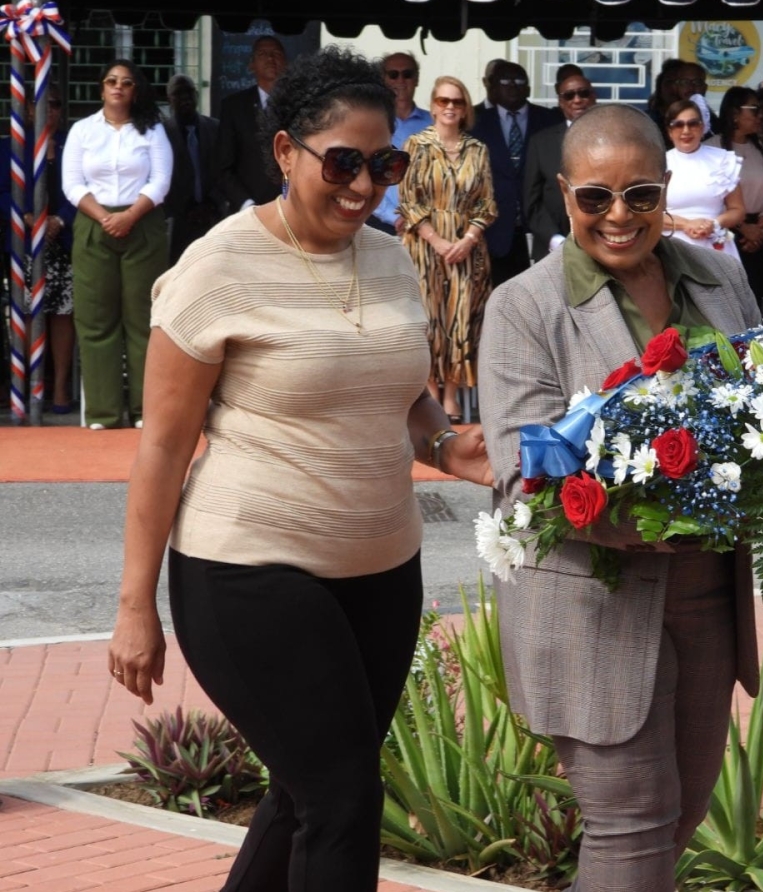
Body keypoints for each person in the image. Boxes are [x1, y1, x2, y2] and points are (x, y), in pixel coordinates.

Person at [107, 46, 492, 892]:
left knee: (309, 791)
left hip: (383, 571)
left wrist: (449, 446)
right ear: (286, 152)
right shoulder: (216, 268)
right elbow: (164, 448)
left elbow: (405, 400)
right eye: (344, 163)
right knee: (343, 799)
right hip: (248, 570)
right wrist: (136, 606)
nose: (365, 186)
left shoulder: (391, 258)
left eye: (384, 164)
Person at [477, 102, 761, 892]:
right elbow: (520, 473)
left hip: (706, 596)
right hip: (592, 607)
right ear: (565, 195)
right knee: (630, 828)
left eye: (640, 196)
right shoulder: (524, 305)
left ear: (666, 190)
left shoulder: (718, 276)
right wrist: (653, 521)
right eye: (595, 198)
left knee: (680, 817)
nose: (619, 217)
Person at [63, 59, 171, 430]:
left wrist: (128, 216)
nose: (118, 87)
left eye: (126, 82)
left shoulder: (153, 130)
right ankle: (103, 413)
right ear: (101, 88)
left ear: (135, 90)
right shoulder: (82, 131)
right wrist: (105, 216)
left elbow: (160, 181)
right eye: (111, 81)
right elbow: (72, 183)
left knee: (142, 319)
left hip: (141, 224)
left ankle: (144, 411)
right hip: (95, 224)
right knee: (95, 320)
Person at [400, 75, 497, 422]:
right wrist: (438, 242)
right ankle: (430, 391)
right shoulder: (416, 145)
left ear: (466, 107)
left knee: (459, 319)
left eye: (457, 102)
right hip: (425, 245)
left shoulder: (477, 149)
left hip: (466, 246)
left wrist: (467, 239)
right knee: (427, 319)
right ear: (433, 105)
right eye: (443, 101)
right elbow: (409, 200)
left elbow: (487, 204)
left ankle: (452, 394)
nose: (450, 108)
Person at [4, 84, 77, 413]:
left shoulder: (72, 145)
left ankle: (60, 388)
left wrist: (58, 220)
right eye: (43, 104)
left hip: (61, 242)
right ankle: (26, 388)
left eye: (56, 104)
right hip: (25, 244)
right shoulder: (12, 147)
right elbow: (3, 193)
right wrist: (25, 213)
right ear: (29, 110)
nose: (50, 110)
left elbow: (84, 188)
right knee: (27, 314)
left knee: (62, 314)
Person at [469, 60, 557, 287]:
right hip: (495, 231)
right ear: (492, 87)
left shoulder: (549, 120)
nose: (512, 86)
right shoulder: (476, 123)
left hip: (541, 229)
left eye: (519, 81)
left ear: (528, 87)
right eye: (505, 81)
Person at [709, 87, 763, 303]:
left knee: (752, 300)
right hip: (723, 235)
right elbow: (710, 199)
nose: (761, 115)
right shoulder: (712, 148)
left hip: (756, 238)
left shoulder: (760, 150)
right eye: (754, 109)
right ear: (734, 113)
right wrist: (742, 228)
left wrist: (761, 227)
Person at [524, 69, 596, 261]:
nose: (577, 99)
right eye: (569, 95)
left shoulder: (611, 139)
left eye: (583, 93)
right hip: (552, 249)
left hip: (600, 243)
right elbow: (531, 201)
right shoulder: (540, 142)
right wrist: (554, 238)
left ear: (593, 97)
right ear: (561, 102)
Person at [664, 99, 745, 255]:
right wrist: (687, 224)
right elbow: (648, 214)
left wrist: (714, 224)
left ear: (702, 127)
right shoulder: (658, 164)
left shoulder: (722, 160)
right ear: (669, 131)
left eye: (692, 124)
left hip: (715, 246)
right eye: (679, 125)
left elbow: (738, 210)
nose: (686, 131)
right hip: (671, 249)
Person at [216, 35, 287, 213]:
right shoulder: (234, 107)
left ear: (286, 62)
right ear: (251, 65)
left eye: (276, 53)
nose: (271, 59)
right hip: (247, 210)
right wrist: (246, 204)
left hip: (292, 209)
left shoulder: (300, 104)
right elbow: (222, 167)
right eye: (263, 54)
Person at [368, 49, 433, 235]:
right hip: (380, 224)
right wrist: (394, 217)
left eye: (407, 74)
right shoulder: (371, 124)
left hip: (428, 227)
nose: (400, 81)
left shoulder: (435, 124)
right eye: (393, 75)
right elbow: (366, 176)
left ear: (417, 79)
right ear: (383, 79)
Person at [163, 75, 223, 263]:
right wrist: (185, 208)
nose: (185, 98)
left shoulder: (216, 128)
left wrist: (212, 203)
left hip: (213, 217)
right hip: (177, 221)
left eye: (189, 92)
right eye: (178, 94)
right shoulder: (160, 133)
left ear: (196, 94)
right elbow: (160, 177)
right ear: (169, 100)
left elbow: (225, 169)